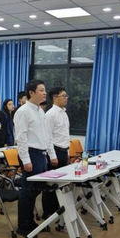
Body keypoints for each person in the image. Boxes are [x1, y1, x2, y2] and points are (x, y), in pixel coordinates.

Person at [14, 80, 57, 236]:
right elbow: (21, 138)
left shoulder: (40, 111)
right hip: (31, 154)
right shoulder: (23, 111)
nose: (45, 93)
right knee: (28, 191)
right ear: (31, 93)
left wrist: (52, 154)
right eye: (41, 90)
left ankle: (30, 221)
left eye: (45, 90)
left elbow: (47, 135)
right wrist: (26, 160)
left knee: (35, 190)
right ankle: (23, 225)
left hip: (41, 154)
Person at [42, 87, 71, 216]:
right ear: (55, 98)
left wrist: (67, 153)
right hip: (54, 152)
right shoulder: (50, 114)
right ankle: (48, 212)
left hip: (63, 151)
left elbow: (65, 135)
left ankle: (57, 209)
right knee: (51, 184)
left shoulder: (64, 113)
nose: (66, 98)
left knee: (60, 183)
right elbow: (47, 137)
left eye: (66, 96)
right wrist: (52, 156)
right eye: (63, 96)